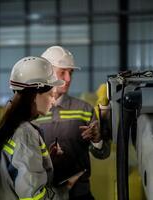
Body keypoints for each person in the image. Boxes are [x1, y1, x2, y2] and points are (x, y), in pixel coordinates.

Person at [36, 46, 111, 200]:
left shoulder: (84, 109)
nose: (68, 79)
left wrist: (97, 140)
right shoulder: (32, 113)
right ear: (47, 73)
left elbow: (104, 153)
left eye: (71, 72)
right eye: (62, 72)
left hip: (80, 194)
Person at [0, 56, 64, 200]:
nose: (54, 101)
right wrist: (66, 190)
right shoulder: (25, 133)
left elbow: (16, 170)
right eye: (51, 94)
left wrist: (45, 159)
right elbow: (33, 196)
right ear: (34, 95)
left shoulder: (11, 125)